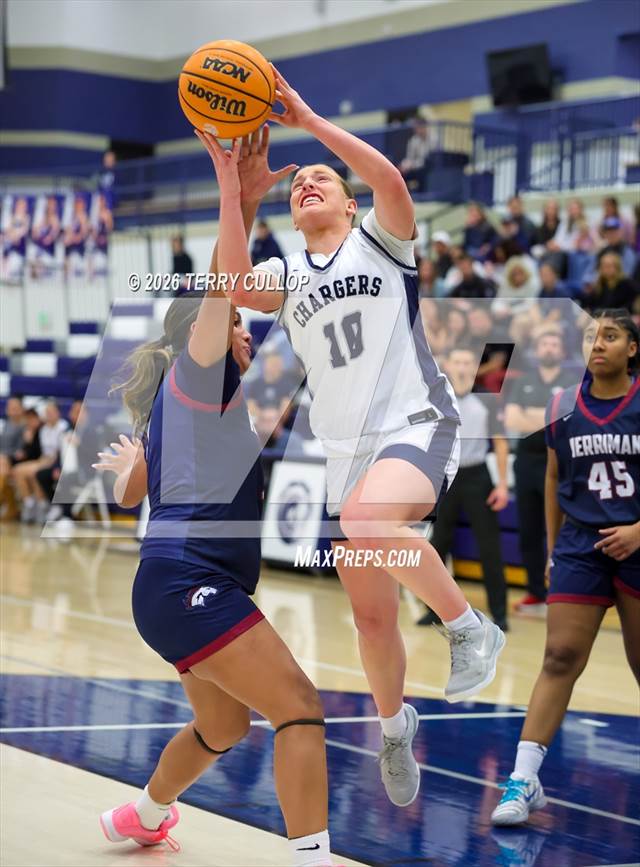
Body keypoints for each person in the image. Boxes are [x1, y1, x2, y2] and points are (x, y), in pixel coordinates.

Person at [196, 66, 505, 809]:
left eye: (322, 182)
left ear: (348, 199)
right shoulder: (290, 271)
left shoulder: (382, 241)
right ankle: (395, 725)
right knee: (371, 617)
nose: (308, 186)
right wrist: (233, 191)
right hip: (345, 453)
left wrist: (306, 121)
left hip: (416, 423)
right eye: (299, 188)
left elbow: (391, 175)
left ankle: (471, 628)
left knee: (371, 521)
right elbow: (234, 286)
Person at [492, 309, 640, 826]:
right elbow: (556, 477)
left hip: (637, 541)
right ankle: (523, 779)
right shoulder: (561, 405)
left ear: (632, 349)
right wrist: (556, 552)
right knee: (558, 657)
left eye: (612, 336)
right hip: (580, 546)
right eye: (591, 336)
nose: (598, 344)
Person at [417, 347, 510, 630]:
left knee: (489, 547)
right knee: (437, 545)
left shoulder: (488, 401)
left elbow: (501, 442)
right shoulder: (435, 398)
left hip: (476, 476)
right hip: (444, 478)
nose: (462, 366)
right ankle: (433, 610)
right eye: (457, 361)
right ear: (448, 364)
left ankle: (500, 614)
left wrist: (503, 484)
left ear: (474, 367)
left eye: (468, 361)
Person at [504, 331, 579, 616]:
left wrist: (530, 416)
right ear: (537, 349)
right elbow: (511, 419)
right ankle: (536, 592)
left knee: (561, 530)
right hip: (526, 462)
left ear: (562, 350)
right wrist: (550, 415)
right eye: (545, 343)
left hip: (560, 463)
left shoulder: (571, 384)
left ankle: (562, 591)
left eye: (555, 343)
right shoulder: (523, 379)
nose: (550, 347)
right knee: (529, 531)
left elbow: (572, 420)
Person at [12, 401, 68, 523]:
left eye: (51, 412)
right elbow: (41, 451)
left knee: (35, 473)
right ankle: (29, 503)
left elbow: (60, 453)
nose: (49, 415)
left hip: (56, 461)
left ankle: (42, 506)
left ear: (58, 413)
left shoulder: (63, 427)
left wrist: (45, 462)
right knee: (17, 470)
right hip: (43, 459)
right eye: (47, 412)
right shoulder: (44, 429)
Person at [0, 397, 25, 521]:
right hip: (3, 460)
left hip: (15, 460)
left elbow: (21, 450)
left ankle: (11, 506)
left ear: (21, 409)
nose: (12, 411)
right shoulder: (5, 424)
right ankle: (11, 506)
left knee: (2, 466)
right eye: (10, 408)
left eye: (15, 408)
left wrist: (5, 455)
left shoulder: (24, 426)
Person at [398, 117, 432, 192]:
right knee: (401, 173)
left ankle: (423, 194)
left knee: (422, 171)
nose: (417, 130)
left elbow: (429, 159)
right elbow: (409, 157)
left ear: (425, 127)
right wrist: (405, 165)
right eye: (416, 128)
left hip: (428, 167)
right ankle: (407, 195)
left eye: (420, 127)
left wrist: (413, 165)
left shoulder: (433, 139)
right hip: (415, 167)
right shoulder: (413, 140)